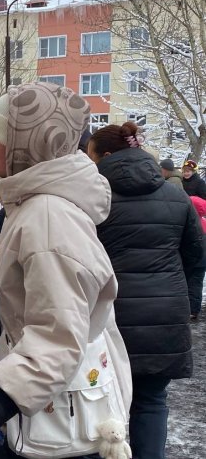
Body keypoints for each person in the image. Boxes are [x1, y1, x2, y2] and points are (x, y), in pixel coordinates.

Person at [0, 82, 131, 459]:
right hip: (58, 402)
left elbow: (59, 331)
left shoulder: (47, 216)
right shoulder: (38, 207)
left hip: (59, 415)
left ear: (25, 143)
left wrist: (0, 401)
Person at [87, 122, 202, 459]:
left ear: (106, 156)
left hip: (108, 318)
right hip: (164, 315)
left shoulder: (91, 197)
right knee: (152, 401)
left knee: (102, 403)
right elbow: (195, 256)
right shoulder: (175, 194)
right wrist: (189, 303)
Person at [188, 195, 206, 320]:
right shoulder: (204, 222)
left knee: (188, 282)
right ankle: (194, 310)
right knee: (197, 283)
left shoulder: (189, 223)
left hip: (191, 258)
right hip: (203, 259)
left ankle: (188, 308)